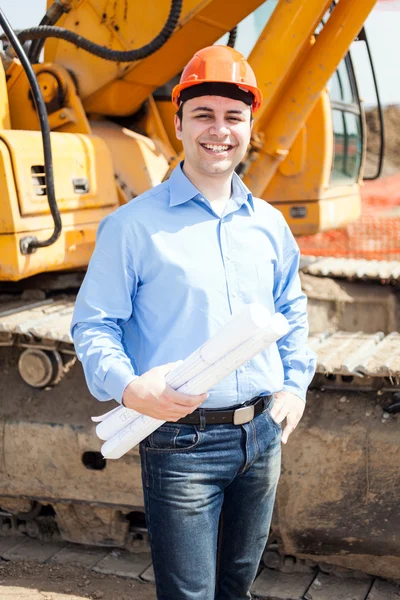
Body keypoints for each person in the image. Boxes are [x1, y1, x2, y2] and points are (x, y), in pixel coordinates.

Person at [71, 45, 317, 600]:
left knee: (237, 589)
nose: (219, 130)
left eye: (233, 117)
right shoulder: (131, 227)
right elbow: (94, 326)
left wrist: (295, 387)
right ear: (178, 122)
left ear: (249, 127)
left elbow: (291, 310)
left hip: (261, 438)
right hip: (180, 439)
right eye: (203, 114)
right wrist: (132, 389)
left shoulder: (270, 225)